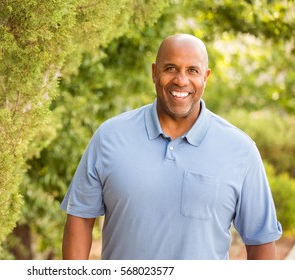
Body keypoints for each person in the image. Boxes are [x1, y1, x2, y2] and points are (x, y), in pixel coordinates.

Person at [60, 34, 282, 260]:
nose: (181, 80)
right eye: (171, 68)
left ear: (206, 76)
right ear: (154, 72)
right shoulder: (109, 136)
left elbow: (261, 242)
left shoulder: (241, 150)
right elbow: (80, 219)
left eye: (193, 71)